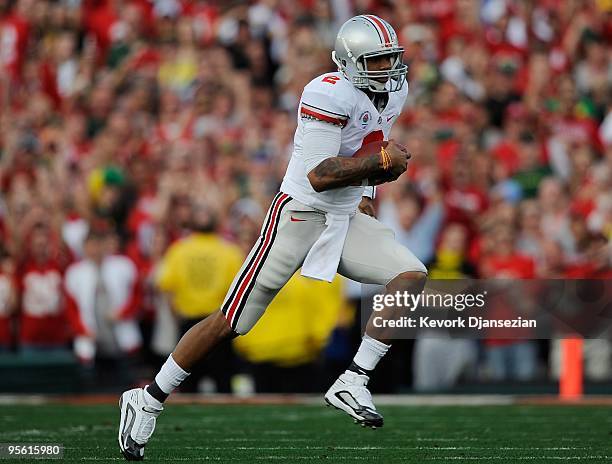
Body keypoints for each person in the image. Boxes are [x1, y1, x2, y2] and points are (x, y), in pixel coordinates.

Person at [118, 15, 427, 460]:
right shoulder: (326, 92)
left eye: (390, 59)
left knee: (411, 274)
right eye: (377, 60)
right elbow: (319, 175)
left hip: (344, 217)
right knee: (232, 322)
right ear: (350, 62)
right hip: (300, 215)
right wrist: (378, 165)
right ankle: (146, 398)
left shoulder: (394, 90)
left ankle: (353, 379)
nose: (387, 69)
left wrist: (368, 192)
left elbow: (368, 141)